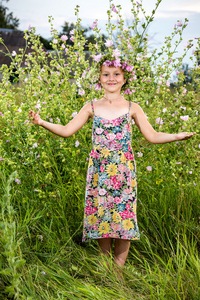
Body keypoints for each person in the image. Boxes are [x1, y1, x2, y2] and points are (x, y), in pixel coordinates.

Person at [29, 53, 195, 270]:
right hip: (99, 171)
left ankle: (118, 271)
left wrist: (176, 136)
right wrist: (41, 122)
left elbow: (152, 136)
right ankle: (105, 267)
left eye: (116, 74)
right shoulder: (91, 106)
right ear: (99, 78)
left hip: (124, 172)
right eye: (106, 74)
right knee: (101, 216)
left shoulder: (132, 108)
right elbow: (67, 131)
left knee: (124, 217)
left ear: (124, 78)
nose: (111, 78)